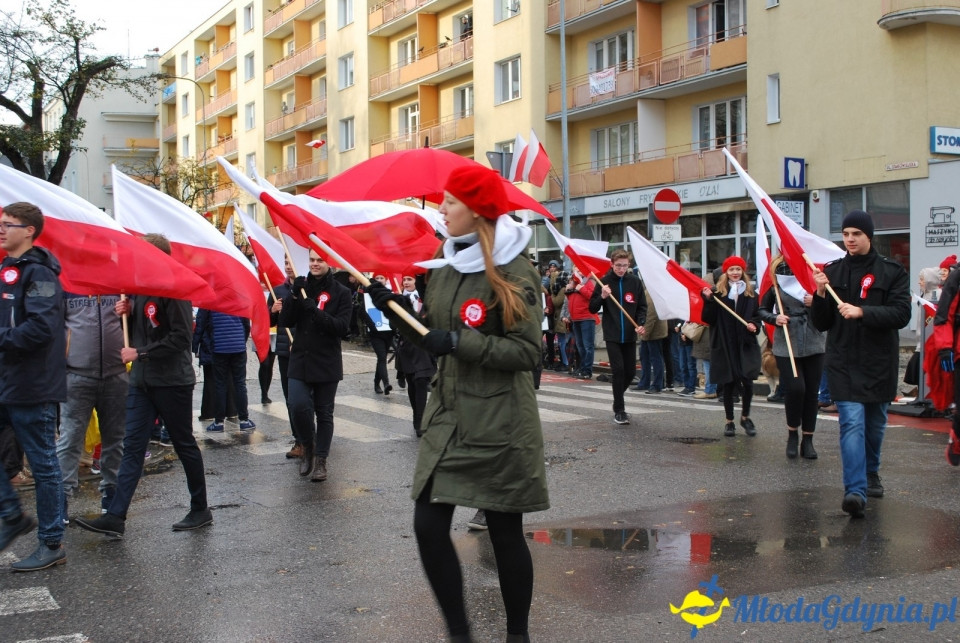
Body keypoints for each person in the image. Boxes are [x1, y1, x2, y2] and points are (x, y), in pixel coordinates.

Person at [366, 164, 549, 643]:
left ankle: (517, 635)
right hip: (449, 417)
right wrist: (392, 308)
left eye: (450, 201)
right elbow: (432, 335)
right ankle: (460, 633)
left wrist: (462, 343)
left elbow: (529, 353)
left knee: (506, 532)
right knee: (427, 525)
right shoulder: (446, 263)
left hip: (500, 422)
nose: (442, 208)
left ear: (478, 210)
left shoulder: (515, 271)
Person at [74, 233, 212, 538]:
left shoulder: (174, 289)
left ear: (159, 257)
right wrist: (128, 312)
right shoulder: (136, 289)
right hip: (141, 380)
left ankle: (200, 508)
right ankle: (116, 516)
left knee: (183, 442)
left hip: (172, 381)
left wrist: (141, 352)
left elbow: (180, 338)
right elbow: (144, 329)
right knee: (132, 446)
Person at [811, 210, 911, 518]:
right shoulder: (833, 272)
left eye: (856, 233)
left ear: (869, 236)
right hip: (842, 360)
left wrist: (863, 312)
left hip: (878, 360)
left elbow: (901, 314)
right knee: (851, 422)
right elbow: (822, 322)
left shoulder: (893, 271)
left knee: (875, 424)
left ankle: (871, 472)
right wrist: (818, 294)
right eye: (846, 234)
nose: (850, 239)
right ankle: (854, 490)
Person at [0, 202, 67, 571]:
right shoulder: (6, 269)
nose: (2, 228)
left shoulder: (39, 273)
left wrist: (1, 338)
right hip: (7, 380)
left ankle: (52, 541)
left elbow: (41, 329)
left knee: (44, 465)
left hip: (34, 384)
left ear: (29, 230)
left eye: (9, 224)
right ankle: (12, 515)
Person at [279, 249, 352, 482]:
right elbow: (286, 321)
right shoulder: (302, 288)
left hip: (326, 361)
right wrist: (293, 296)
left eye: (320, 260)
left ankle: (321, 460)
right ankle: (307, 444)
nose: (315, 264)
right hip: (300, 358)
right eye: (311, 260)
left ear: (328, 262)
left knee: (324, 412)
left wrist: (316, 312)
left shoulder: (341, 292)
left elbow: (342, 328)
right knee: (297, 405)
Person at [57, 293, 128, 520]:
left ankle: (111, 493)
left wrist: (130, 308)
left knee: (114, 439)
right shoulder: (67, 285)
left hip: (116, 374)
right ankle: (61, 499)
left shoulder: (118, 285)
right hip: (76, 376)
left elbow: (133, 323)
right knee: (70, 440)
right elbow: (53, 324)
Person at [758, 256, 826, 459]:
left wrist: (818, 300)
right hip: (786, 342)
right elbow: (762, 310)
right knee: (796, 388)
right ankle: (792, 433)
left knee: (812, 392)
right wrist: (774, 318)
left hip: (814, 340)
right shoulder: (776, 287)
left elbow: (830, 310)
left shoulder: (814, 282)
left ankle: (808, 439)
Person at [700, 256, 762, 438]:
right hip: (725, 343)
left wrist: (754, 324)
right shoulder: (717, 294)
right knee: (728, 383)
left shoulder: (751, 294)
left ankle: (745, 417)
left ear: (743, 272)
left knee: (748, 382)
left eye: (738, 269)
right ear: (726, 273)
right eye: (731, 270)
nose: (735, 272)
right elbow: (708, 319)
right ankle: (729, 421)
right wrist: (709, 301)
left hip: (745, 344)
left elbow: (757, 316)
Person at [589, 251, 646, 424]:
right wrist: (603, 296)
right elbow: (592, 308)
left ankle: (617, 397)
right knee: (618, 370)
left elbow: (642, 306)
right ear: (612, 265)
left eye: (625, 265)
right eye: (618, 265)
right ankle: (620, 410)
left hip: (629, 334)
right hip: (612, 334)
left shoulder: (635, 282)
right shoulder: (604, 282)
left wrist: (641, 323)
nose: (621, 269)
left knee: (630, 372)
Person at [194, 309, 255, 433]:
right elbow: (246, 324)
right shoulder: (238, 297)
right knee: (240, 384)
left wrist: (195, 346)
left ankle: (219, 422)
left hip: (219, 347)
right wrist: (240, 341)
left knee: (219, 385)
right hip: (238, 347)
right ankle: (244, 420)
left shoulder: (211, 299)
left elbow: (201, 323)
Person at [397, 275, 435, 438]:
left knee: (420, 382)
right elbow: (393, 325)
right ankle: (416, 416)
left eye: (410, 279)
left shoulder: (426, 299)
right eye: (404, 279)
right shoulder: (398, 300)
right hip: (407, 348)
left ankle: (421, 421)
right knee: (412, 384)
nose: (406, 282)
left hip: (424, 349)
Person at [268, 260, 299, 458]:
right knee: (291, 398)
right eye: (286, 262)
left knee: (308, 398)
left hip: (305, 350)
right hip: (285, 351)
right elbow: (269, 321)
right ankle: (299, 438)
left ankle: (313, 435)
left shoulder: (307, 289)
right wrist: (272, 311)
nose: (288, 266)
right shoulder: (278, 290)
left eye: (291, 261)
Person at [361, 274, 396, 395]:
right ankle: (386, 383)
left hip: (388, 332)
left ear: (386, 280)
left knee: (381, 359)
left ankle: (376, 382)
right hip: (376, 333)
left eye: (382, 278)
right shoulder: (367, 294)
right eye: (377, 278)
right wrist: (372, 326)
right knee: (381, 358)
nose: (380, 280)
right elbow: (363, 312)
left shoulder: (389, 294)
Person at [565, 266, 597, 380]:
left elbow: (592, 296)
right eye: (576, 269)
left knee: (587, 346)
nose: (578, 271)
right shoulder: (575, 282)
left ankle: (587, 370)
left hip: (586, 317)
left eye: (579, 269)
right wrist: (568, 290)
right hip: (576, 318)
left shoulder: (588, 282)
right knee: (580, 346)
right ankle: (582, 368)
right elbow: (571, 300)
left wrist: (580, 288)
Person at [635, 290, 666, 395]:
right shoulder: (647, 291)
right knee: (644, 357)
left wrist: (645, 333)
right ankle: (644, 382)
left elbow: (651, 316)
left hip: (654, 332)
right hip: (647, 331)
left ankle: (657, 385)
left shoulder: (652, 292)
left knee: (655, 358)